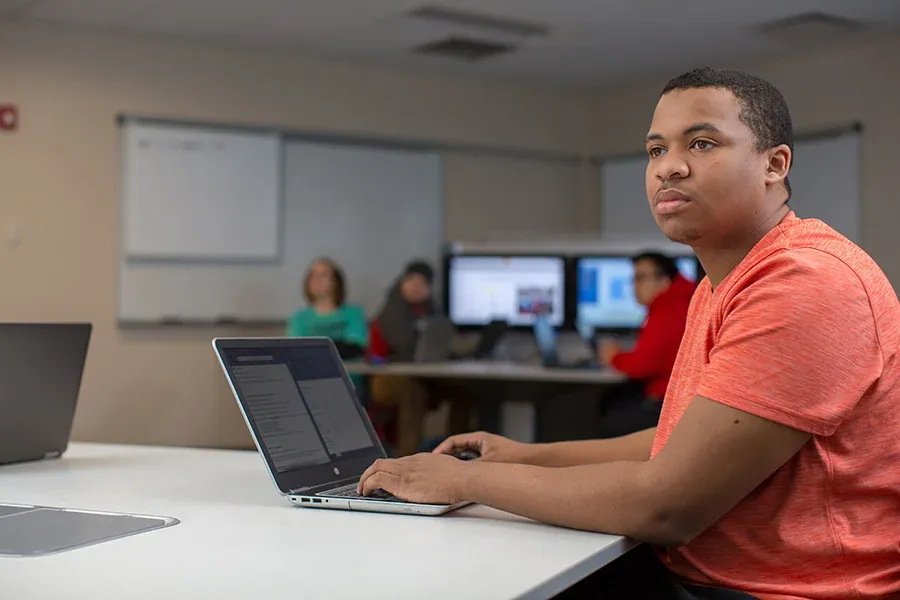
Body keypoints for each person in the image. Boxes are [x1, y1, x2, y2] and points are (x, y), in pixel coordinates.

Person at [357, 67, 900, 600]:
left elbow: (666, 505)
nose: (670, 168)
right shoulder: (719, 284)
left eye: (703, 143)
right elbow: (678, 445)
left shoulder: (804, 281)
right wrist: (525, 456)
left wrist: (460, 481)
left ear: (774, 165)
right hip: (706, 573)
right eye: (656, 150)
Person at [596, 251, 696, 437]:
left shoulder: (669, 307)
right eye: (633, 279)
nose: (634, 287)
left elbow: (644, 365)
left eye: (640, 278)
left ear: (664, 280)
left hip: (668, 401)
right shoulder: (683, 298)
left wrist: (613, 357)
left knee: (597, 410)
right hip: (681, 399)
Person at [367, 261, 436, 457]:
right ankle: (407, 460)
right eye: (411, 280)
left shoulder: (431, 312)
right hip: (384, 379)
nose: (415, 286)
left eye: (422, 282)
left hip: (421, 375)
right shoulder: (390, 313)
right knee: (413, 391)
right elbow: (381, 355)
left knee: (464, 390)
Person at [286, 258, 368, 386]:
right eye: (313, 275)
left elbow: (355, 348)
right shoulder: (299, 318)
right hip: (310, 382)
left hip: (349, 382)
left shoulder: (354, 313)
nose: (316, 280)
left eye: (323, 275)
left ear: (336, 281)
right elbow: (295, 353)